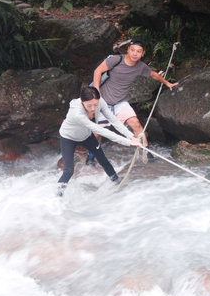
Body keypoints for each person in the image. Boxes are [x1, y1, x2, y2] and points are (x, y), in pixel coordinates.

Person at [87, 37, 178, 165]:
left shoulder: (140, 67)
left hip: (121, 103)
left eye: (138, 51)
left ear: (142, 54)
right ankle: (90, 156)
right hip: (104, 102)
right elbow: (98, 71)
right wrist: (97, 92)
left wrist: (168, 83)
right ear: (128, 50)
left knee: (136, 124)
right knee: (97, 132)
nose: (135, 53)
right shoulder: (115, 60)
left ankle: (147, 153)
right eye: (133, 50)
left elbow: (153, 75)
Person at [57, 86, 142, 196]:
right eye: (89, 105)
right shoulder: (76, 113)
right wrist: (128, 143)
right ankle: (57, 197)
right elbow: (101, 130)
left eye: (95, 105)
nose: (93, 108)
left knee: (103, 160)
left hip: (86, 136)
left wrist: (131, 137)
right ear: (82, 102)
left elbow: (114, 120)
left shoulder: (100, 102)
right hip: (68, 138)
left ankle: (117, 183)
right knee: (68, 170)